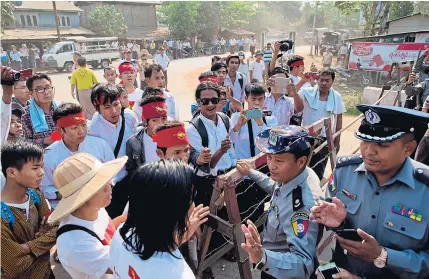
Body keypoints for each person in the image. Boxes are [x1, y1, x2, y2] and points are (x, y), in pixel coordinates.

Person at [310, 105, 429, 279]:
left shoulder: (425, 189)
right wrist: (339, 223)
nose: (369, 151)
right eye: (365, 140)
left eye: (382, 145)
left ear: (408, 149)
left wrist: (383, 255)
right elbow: (329, 217)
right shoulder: (344, 171)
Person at [236, 125, 323, 279]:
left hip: (282, 271)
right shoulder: (296, 174)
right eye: (269, 157)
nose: (271, 165)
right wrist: (251, 172)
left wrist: (262, 257)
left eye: (279, 160)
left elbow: (303, 265)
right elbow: (275, 187)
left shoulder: (302, 207)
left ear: (301, 161)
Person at [109, 160, 209, 278]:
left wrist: (180, 237)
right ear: (175, 212)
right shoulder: (178, 275)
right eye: (192, 196)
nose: (193, 204)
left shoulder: (121, 235)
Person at [48, 153, 127, 279]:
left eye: (106, 180)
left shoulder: (97, 209)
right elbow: (124, 263)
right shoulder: (75, 242)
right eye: (99, 185)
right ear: (81, 197)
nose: (109, 187)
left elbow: (108, 230)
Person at [1, 140, 58, 279]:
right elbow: (15, 265)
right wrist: (42, 238)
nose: (42, 173)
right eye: (35, 168)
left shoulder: (35, 195)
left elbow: (56, 227)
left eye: (42, 167)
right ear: (12, 172)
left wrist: (26, 247)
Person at [40, 103, 114, 208]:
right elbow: (45, 188)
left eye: (83, 125)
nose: (81, 131)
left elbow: (112, 172)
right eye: (74, 128)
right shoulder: (49, 156)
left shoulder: (100, 145)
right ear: (61, 130)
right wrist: (68, 194)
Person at [186, 81, 237, 207]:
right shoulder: (193, 129)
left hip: (229, 178)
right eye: (205, 101)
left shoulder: (225, 119)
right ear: (198, 102)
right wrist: (221, 151)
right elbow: (205, 167)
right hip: (207, 183)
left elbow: (231, 151)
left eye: (214, 100)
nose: (210, 105)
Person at [298, 68, 346, 180]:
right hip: (306, 137)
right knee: (301, 169)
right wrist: (302, 82)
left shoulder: (336, 96)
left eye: (327, 80)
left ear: (332, 82)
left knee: (318, 170)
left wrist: (337, 140)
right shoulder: (307, 92)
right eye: (321, 80)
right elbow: (291, 94)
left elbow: (339, 119)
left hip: (324, 139)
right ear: (317, 80)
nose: (324, 83)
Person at [88, 84, 139, 186]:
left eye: (116, 104)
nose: (114, 111)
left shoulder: (129, 116)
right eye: (107, 107)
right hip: (111, 182)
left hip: (133, 175)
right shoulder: (93, 129)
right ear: (97, 108)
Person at [231, 81, 277, 159]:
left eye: (260, 99)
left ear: (264, 98)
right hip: (243, 164)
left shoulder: (270, 118)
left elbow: (273, 142)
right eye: (253, 99)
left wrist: (260, 122)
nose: (257, 102)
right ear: (246, 98)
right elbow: (231, 141)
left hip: (264, 163)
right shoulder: (236, 117)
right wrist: (238, 126)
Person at [21, 73, 58, 146]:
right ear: (31, 94)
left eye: (48, 87)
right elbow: (25, 142)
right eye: (40, 89)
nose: (46, 92)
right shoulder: (26, 115)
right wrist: (45, 140)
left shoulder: (62, 107)